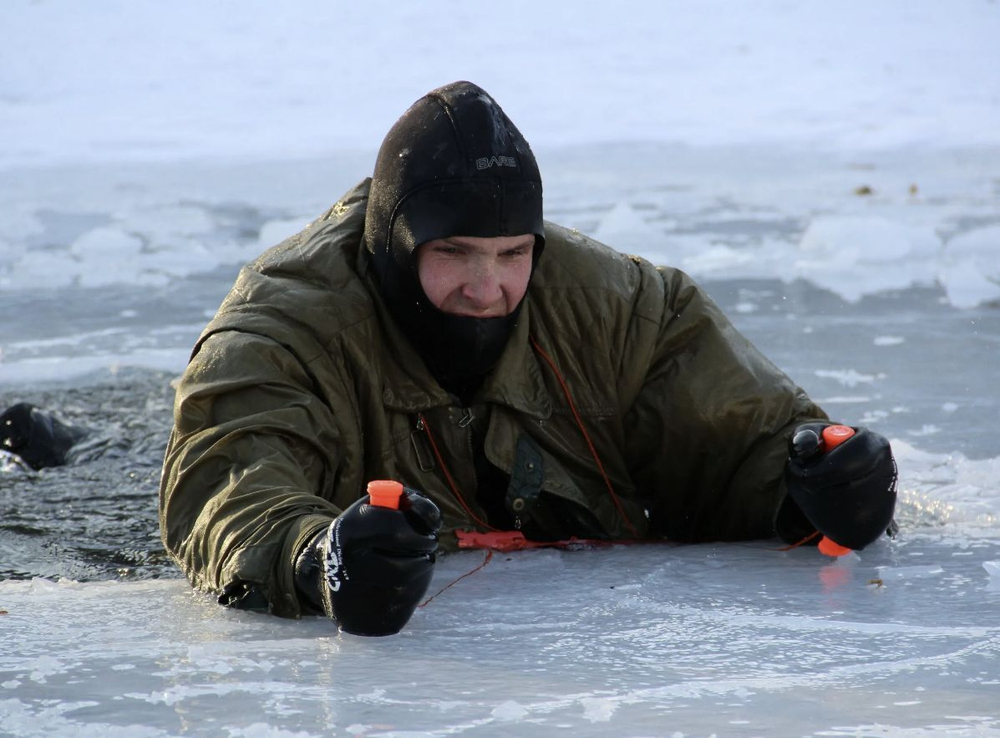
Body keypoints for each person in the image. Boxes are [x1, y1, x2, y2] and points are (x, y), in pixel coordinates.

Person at [158, 81, 897, 636]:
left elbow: (743, 434)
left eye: (513, 255)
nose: (488, 290)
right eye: (453, 254)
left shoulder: (621, 306)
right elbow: (230, 490)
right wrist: (316, 557)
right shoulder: (283, 327)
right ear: (393, 247)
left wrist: (819, 487)